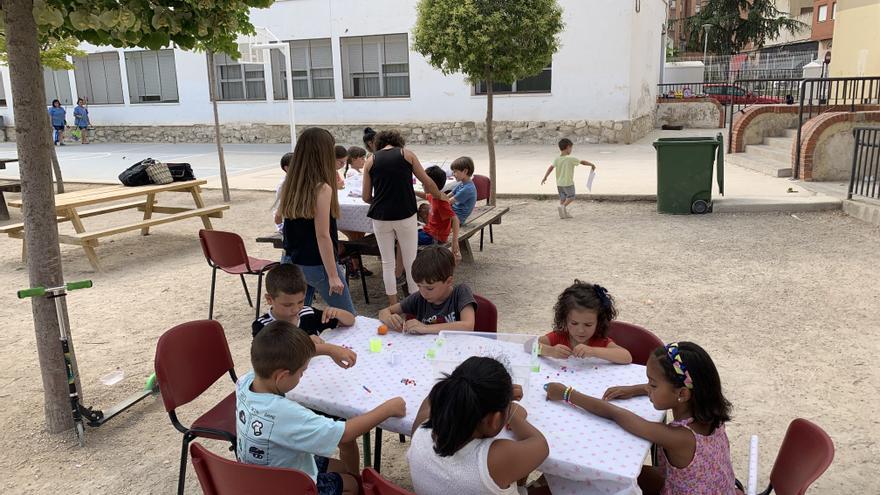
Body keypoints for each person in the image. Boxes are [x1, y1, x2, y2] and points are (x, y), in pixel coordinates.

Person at [237, 321, 407, 495]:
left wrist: (330, 350)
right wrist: (388, 409)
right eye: (302, 371)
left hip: (259, 474)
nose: (302, 375)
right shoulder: (285, 413)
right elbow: (345, 433)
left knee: (342, 467)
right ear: (282, 376)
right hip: (285, 486)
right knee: (352, 484)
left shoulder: (245, 381)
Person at [546, 342, 735, 495]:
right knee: (626, 476)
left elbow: (616, 414)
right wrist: (636, 389)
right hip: (721, 489)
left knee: (607, 480)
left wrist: (568, 394)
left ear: (682, 394)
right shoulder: (712, 414)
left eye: (652, 385)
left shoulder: (680, 438)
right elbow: (668, 390)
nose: (648, 388)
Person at [407, 356, 549, 495]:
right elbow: (541, 445)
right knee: (549, 486)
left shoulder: (420, 429)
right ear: (493, 420)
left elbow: (432, 399)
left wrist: (498, 400)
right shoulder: (494, 460)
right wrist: (510, 409)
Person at [278, 127, 357, 315]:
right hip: (317, 263)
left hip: (292, 258)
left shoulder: (291, 183)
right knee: (348, 318)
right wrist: (333, 275)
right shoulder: (321, 188)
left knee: (294, 318)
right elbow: (322, 235)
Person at [362, 129, 443, 305]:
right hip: (405, 214)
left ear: (378, 144)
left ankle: (393, 304)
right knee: (410, 261)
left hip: (381, 216)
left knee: (387, 263)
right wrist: (440, 196)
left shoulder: (370, 161)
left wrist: (382, 201)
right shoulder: (407, 155)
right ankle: (415, 303)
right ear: (399, 142)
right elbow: (427, 182)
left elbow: (366, 196)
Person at [377, 245, 474, 334]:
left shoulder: (461, 292)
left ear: (448, 281)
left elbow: (468, 326)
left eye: (430, 288)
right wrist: (390, 318)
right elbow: (383, 312)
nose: (424, 293)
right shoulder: (419, 298)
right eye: (419, 286)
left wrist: (425, 328)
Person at [537, 281, 632, 364]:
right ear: (564, 319)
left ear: (599, 323)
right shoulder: (559, 337)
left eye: (588, 325)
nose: (581, 330)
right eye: (574, 323)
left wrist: (593, 351)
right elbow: (528, 345)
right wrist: (551, 351)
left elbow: (626, 357)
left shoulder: (600, 341)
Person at [540, 138, 597, 219]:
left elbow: (550, 168)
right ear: (568, 147)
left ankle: (563, 214)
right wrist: (591, 164)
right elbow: (582, 162)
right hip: (568, 182)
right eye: (571, 148)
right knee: (571, 196)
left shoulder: (557, 159)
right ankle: (563, 207)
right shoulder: (570, 159)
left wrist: (545, 177)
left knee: (562, 198)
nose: (571, 150)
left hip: (559, 183)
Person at [416, 166, 461, 256]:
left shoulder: (441, 202)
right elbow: (425, 195)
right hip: (429, 231)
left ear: (432, 184)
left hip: (435, 237)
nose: (422, 184)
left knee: (404, 237)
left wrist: (455, 241)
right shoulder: (434, 195)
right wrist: (412, 191)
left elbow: (455, 219)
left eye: (424, 182)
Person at [449, 156, 478, 225]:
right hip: (453, 213)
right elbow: (449, 195)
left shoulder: (467, 189)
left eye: (455, 171)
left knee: (428, 212)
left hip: (457, 219)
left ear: (465, 171)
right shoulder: (463, 184)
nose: (453, 174)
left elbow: (448, 202)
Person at [273, 152, 294, 233]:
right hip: (290, 225)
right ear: (286, 168)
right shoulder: (283, 185)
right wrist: (281, 227)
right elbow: (278, 211)